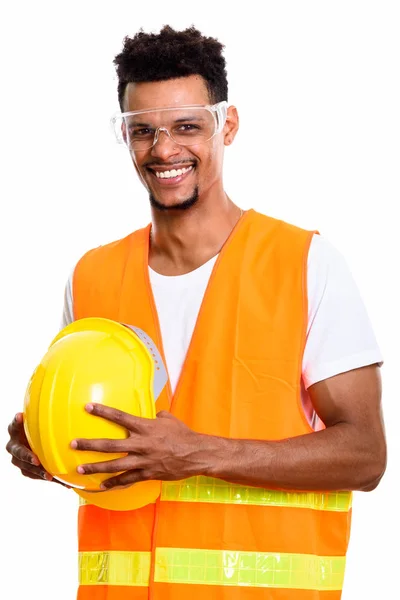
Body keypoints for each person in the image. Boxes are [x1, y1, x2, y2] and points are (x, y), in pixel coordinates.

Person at [6, 25, 386, 600]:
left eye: (186, 126)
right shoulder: (91, 278)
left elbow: (365, 455)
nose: (163, 150)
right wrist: (52, 450)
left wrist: (197, 453)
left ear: (225, 125)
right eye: (143, 131)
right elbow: (117, 459)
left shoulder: (306, 264)